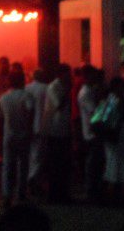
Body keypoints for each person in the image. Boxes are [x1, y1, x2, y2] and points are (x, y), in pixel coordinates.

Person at [0, 69, 34, 208]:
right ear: (22, 81)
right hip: (23, 134)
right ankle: (21, 193)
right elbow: (30, 112)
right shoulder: (27, 96)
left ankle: (7, 194)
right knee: (23, 165)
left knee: (7, 165)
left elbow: (0, 119)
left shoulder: (3, 97)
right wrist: (29, 129)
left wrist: (1, 135)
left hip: (8, 135)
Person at [42, 63, 72, 203]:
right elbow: (59, 104)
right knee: (55, 164)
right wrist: (68, 90)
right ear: (61, 74)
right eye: (67, 73)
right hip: (55, 130)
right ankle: (54, 194)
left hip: (63, 129)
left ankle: (61, 193)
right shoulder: (53, 87)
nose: (70, 76)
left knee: (62, 164)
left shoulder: (60, 86)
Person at [103, 76, 124, 205]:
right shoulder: (116, 100)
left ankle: (114, 194)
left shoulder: (110, 99)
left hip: (114, 135)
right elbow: (119, 118)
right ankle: (116, 195)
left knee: (114, 164)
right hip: (117, 135)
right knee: (117, 164)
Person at [77, 65, 104, 203]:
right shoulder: (86, 93)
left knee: (94, 163)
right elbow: (95, 113)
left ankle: (93, 191)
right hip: (92, 132)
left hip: (91, 131)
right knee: (93, 163)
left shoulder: (89, 91)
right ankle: (91, 191)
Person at [24, 68, 48, 193]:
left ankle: (31, 178)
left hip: (30, 125)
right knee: (40, 154)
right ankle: (33, 179)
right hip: (43, 125)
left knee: (32, 153)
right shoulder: (46, 88)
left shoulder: (27, 88)